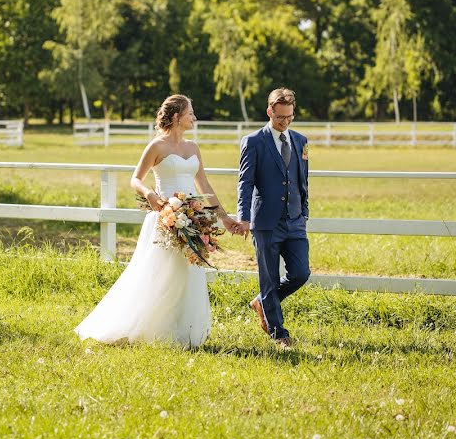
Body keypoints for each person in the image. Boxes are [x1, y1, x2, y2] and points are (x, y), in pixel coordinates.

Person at [75, 94, 238, 348]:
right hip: (164, 219)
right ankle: (144, 327)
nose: (194, 117)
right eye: (190, 113)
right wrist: (150, 195)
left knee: (186, 275)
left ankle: (184, 333)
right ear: (176, 117)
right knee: (156, 276)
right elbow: (135, 179)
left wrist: (224, 217)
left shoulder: (193, 148)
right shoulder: (157, 146)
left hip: (190, 219)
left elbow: (203, 185)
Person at [236, 88, 310, 350]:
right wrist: (243, 217)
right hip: (265, 222)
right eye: (280, 117)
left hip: (295, 220)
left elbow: (303, 180)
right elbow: (245, 182)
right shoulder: (254, 141)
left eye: (290, 117)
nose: (285, 122)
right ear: (270, 112)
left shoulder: (301, 141)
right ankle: (279, 334)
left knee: (301, 273)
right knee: (268, 278)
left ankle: (262, 302)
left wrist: (305, 212)